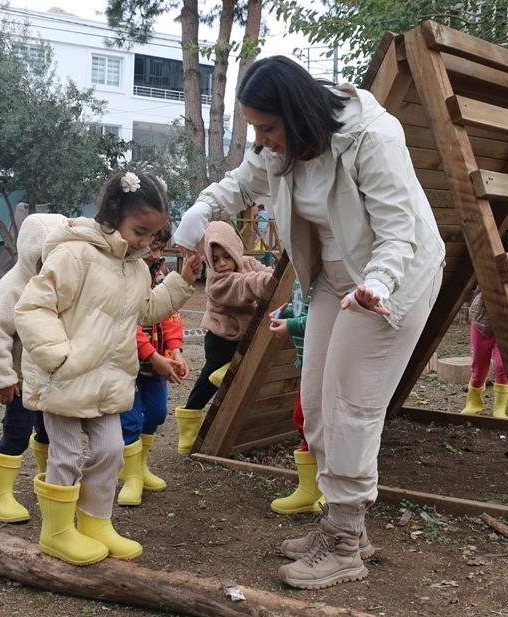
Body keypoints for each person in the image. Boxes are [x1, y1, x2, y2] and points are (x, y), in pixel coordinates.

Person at [173, 55, 445, 590]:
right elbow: (240, 184)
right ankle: (344, 527)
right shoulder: (281, 148)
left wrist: (379, 284)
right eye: (254, 129)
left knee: (352, 405)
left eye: (267, 128)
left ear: (296, 114)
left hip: (392, 280)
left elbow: (398, 231)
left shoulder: (372, 136)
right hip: (332, 279)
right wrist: (200, 211)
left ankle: (344, 542)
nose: (261, 141)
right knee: (317, 404)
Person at [15, 171, 199, 566]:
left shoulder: (135, 268)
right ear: (114, 215)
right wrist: (58, 357)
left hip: (107, 380)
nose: (146, 242)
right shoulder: (74, 255)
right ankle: (57, 532)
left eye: (153, 235)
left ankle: (95, 521)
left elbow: (144, 310)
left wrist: (180, 283)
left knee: (111, 450)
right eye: (139, 231)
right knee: (65, 455)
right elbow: (33, 307)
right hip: (65, 378)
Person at [0, 213, 66, 523]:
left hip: (50, 377)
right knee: (17, 431)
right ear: (33, 252)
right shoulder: (12, 286)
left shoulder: (56, 283)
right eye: (47, 256)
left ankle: (47, 477)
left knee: (49, 430)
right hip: (21, 381)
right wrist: (3, 379)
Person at [172, 221, 275, 455]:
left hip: (243, 337)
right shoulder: (217, 281)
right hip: (221, 340)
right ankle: (188, 427)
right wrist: (267, 281)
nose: (222, 264)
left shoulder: (248, 263)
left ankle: (227, 376)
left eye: (226, 256)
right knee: (206, 383)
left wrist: (273, 276)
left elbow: (266, 272)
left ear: (235, 249)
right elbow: (243, 286)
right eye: (215, 259)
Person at [117, 226, 188, 507]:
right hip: (126, 364)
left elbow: (170, 315)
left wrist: (175, 351)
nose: (156, 254)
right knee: (130, 419)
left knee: (157, 413)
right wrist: (152, 355)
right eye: (152, 247)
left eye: (160, 248)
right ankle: (131, 476)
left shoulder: (161, 273)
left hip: (156, 363)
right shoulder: (121, 273)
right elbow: (125, 322)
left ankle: (140, 466)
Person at [266, 279, 324, 515]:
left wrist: (291, 325)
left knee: (327, 424)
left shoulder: (326, 275)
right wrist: (288, 312)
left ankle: (333, 487)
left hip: (328, 364)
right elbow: (304, 309)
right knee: (303, 418)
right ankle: (309, 489)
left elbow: (325, 319)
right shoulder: (301, 277)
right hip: (308, 361)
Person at [461, 229, 508, 418]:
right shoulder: (489, 266)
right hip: (483, 322)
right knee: (479, 364)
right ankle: (474, 402)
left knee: (503, 365)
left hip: (507, 325)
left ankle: (500, 408)